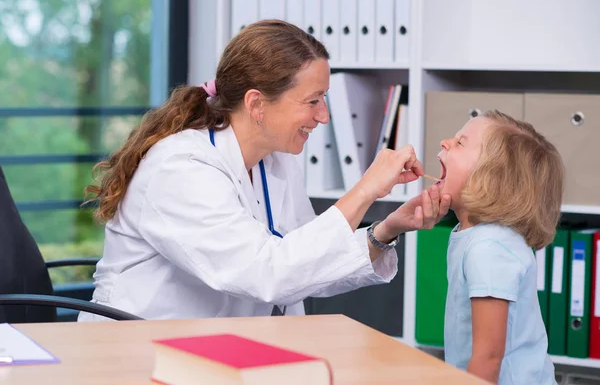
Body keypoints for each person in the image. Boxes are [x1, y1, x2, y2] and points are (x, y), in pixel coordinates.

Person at [78, 19, 450, 322]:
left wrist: (386, 230)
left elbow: (306, 265)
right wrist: (365, 189)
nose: (323, 116)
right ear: (256, 104)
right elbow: (269, 274)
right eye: (313, 101)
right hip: (138, 355)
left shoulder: (275, 161)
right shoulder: (180, 169)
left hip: (219, 352)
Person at [438, 109, 563, 384]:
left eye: (461, 142)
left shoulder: (490, 248)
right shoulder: (474, 236)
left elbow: (489, 356)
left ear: (490, 178)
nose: (445, 142)